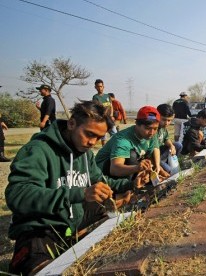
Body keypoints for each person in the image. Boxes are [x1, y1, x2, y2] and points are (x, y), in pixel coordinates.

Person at [6, 101, 139, 275]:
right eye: (89, 134)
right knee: (41, 269)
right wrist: (80, 193)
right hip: (42, 227)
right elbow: (17, 195)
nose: (93, 142)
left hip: (72, 220)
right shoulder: (39, 150)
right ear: (71, 123)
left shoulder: (85, 153)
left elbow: (101, 181)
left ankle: (75, 236)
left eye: (98, 138)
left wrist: (131, 183)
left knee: (117, 203)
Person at [95, 106, 170, 181]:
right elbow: (114, 169)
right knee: (132, 155)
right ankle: (124, 188)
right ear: (137, 124)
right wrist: (137, 168)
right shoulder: (123, 139)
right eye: (148, 128)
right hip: (101, 173)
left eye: (155, 129)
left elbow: (149, 158)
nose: (152, 132)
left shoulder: (151, 136)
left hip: (127, 169)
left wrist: (157, 171)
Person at [156, 104, 183, 175]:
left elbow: (166, 139)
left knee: (178, 145)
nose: (166, 123)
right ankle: (163, 166)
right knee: (171, 171)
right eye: (164, 120)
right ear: (157, 116)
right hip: (153, 156)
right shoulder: (153, 128)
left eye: (169, 120)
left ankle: (169, 163)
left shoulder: (163, 128)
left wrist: (171, 146)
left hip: (161, 153)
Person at [92, 79, 117, 145]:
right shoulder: (95, 97)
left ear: (103, 86)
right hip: (102, 119)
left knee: (115, 134)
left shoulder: (107, 96)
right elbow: (96, 109)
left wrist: (111, 115)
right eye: (98, 86)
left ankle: (114, 147)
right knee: (103, 136)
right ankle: (104, 150)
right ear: (95, 87)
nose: (100, 88)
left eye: (101, 86)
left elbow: (111, 106)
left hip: (110, 119)